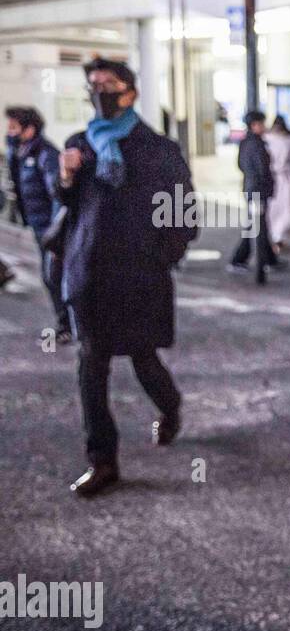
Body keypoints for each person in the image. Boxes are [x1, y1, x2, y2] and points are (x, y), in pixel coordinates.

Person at [56, 58, 197, 497]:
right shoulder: (80, 145)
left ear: (130, 93)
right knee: (91, 365)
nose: (99, 93)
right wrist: (66, 177)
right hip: (90, 275)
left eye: (108, 85)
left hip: (139, 278)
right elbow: (71, 206)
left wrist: (162, 257)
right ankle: (103, 461)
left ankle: (170, 409)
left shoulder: (159, 149)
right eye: (93, 86)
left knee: (143, 359)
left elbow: (184, 215)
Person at [6, 105, 69, 340]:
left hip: (50, 227)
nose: (9, 132)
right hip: (37, 225)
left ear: (29, 129)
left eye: (13, 127)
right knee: (52, 275)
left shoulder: (45, 154)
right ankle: (67, 323)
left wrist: (55, 230)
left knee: (53, 274)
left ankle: (69, 325)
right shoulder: (20, 153)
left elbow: (56, 193)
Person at [228, 111, 279, 274]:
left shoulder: (245, 142)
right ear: (254, 125)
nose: (264, 126)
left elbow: (240, 165)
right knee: (256, 226)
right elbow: (262, 169)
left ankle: (269, 259)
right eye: (262, 123)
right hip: (258, 190)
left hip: (250, 188)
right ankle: (240, 259)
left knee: (259, 225)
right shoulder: (257, 144)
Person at [264, 116, 290, 249]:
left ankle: (273, 235)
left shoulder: (266, 139)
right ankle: (279, 236)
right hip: (287, 178)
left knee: (272, 208)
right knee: (286, 208)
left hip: (270, 177)